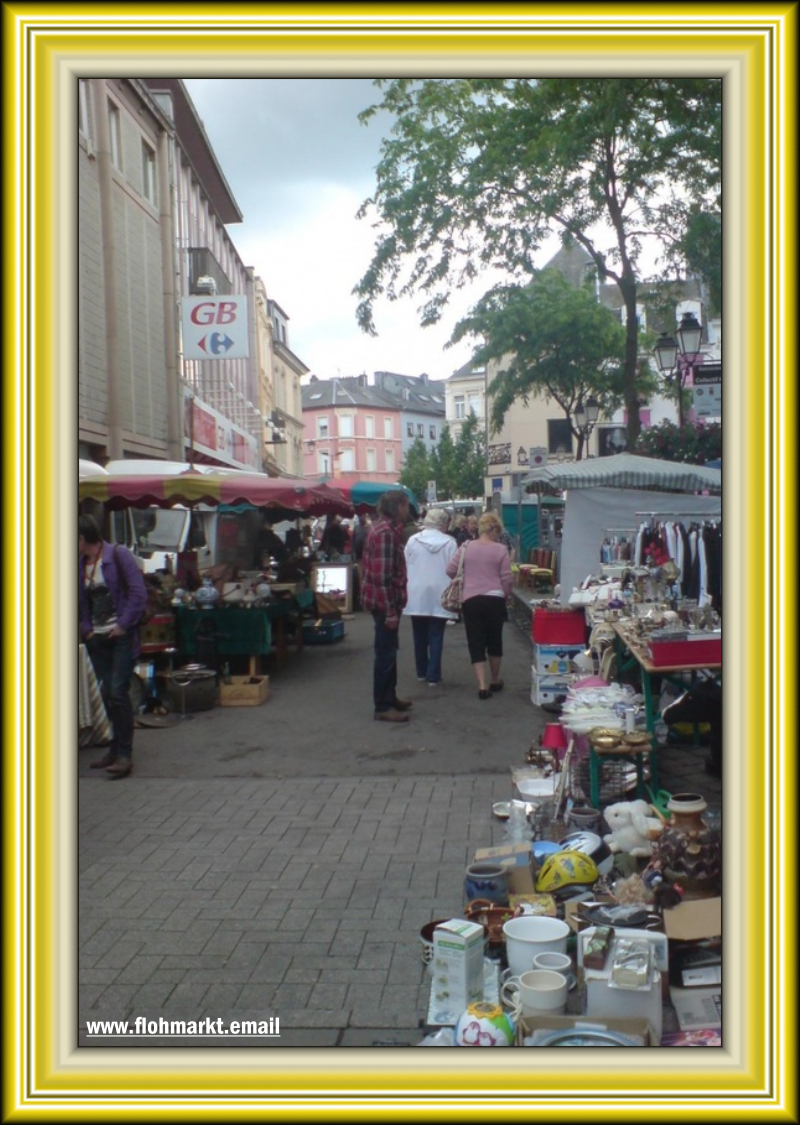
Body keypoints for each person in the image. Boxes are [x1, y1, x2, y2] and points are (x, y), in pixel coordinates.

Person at [79, 514, 148, 778]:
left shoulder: (118, 555)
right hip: (97, 639)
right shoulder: (80, 565)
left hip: (120, 637)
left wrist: (123, 625)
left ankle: (124, 755)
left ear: (83, 539)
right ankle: (115, 748)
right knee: (109, 693)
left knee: (118, 692)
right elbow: (81, 600)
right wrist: (87, 629)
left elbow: (138, 593)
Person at [446, 511, 513, 699]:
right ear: (495, 531)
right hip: (495, 599)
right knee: (494, 640)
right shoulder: (500, 550)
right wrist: (505, 596)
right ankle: (494, 679)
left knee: (475, 641)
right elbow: (507, 579)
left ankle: (482, 685)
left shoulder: (466, 547)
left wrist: (465, 580)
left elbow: (450, 569)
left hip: (471, 600)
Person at [360, 490, 413, 723]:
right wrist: (391, 611)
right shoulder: (385, 533)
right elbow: (382, 577)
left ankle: (389, 697)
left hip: (383, 601)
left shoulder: (384, 529)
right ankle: (382, 705)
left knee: (389, 650)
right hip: (384, 603)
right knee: (385, 653)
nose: (408, 509)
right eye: (406, 505)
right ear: (399, 506)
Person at [403, 508, 458, 686]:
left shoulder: (413, 541)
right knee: (436, 635)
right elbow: (454, 570)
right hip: (440, 592)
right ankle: (433, 675)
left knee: (419, 635)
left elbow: (405, 564)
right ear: (443, 523)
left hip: (416, 592)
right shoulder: (450, 543)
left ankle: (421, 672)